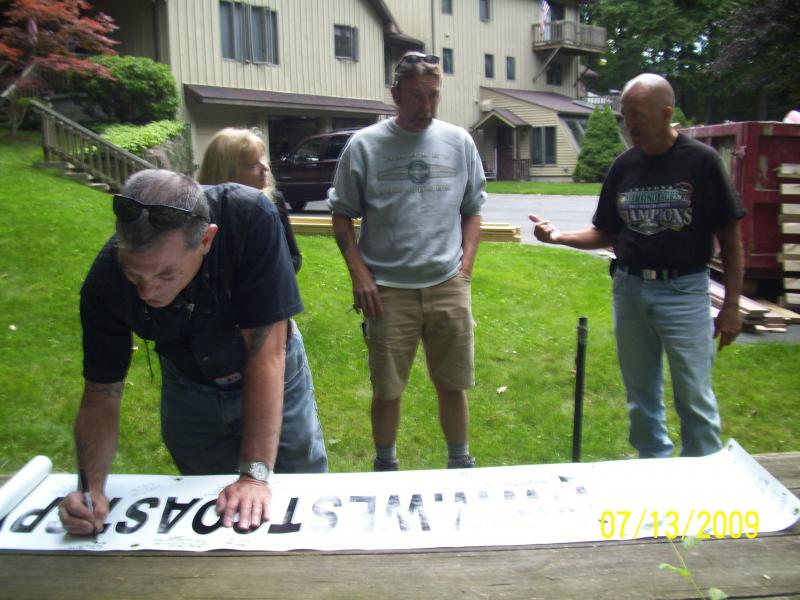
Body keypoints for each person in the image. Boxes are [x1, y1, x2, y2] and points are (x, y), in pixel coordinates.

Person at [58, 169, 327, 538]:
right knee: (203, 502)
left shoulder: (247, 216)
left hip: (270, 369)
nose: (146, 291)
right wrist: (91, 490)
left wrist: (254, 475)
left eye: (166, 275)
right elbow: (101, 394)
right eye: (135, 274)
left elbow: (266, 353)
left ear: (206, 240)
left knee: (298, 491)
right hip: (188, 381)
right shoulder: (105, 283)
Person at [530, 73, 745, 458]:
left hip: (685, 292)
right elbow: (606, 232)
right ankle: (655, 474)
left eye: (638, 115)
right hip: (629, 291)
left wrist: (731, 306)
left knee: (693, 396)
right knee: (641, 397)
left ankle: (705, 486)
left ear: (665, 114)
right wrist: (559, 236)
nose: (629, 124)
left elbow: (730, 238)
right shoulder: (624, 166)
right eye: (625, 114)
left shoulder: (702, 162)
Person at [327, 51, 487, 471]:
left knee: (453, 384)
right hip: (387, 291)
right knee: (387, 389)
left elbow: (473, 209)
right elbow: (341, 214)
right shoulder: (365, 146)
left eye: (433, 96)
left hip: (447, 283)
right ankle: (386, 465)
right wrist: (360, 276)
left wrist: (464, 271)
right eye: (416, 96)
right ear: (395, 93)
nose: (426, 106)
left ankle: (460, 463)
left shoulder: (459, 142)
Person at [197, 127, 302, 272]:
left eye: (262, 158)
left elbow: (294, 257)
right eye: (253, 165)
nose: (265, 167)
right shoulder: (202, 213)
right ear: (227, 173)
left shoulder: (274, 201)